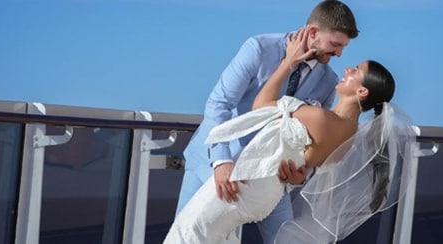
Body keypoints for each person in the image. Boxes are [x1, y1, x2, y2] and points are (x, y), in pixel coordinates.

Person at [165, 27, 414, 243]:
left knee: (187, 234)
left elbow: (261, 104)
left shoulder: (319, 117)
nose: (346, 67)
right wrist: (300, 174)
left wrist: (287, 63)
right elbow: (308, 167)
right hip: (267, 194)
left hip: (247, 181)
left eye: (355, 71)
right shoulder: (349, 135)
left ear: (361, 91)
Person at [175, 1, 358, 243]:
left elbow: (315, 143)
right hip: (214, 164)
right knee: (186, 236)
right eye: (335, 45)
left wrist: (301, 176)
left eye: (343, 47)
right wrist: (221, 161)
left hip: (271, 178)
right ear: (313, 32)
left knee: (285, 239)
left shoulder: (328, 81)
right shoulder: (259, 48)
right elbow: (219, 104)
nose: (339, 54)